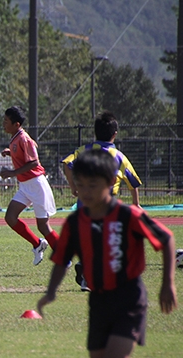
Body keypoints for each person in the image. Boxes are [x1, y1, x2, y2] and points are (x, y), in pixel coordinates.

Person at [37, 149, 177, 358]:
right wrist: (51, 292)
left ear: (111, 183)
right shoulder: (76, 221)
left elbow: (165, 239)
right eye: (80, 185)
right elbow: (62, 260)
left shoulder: (128, 215)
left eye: (92, 185)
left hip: (129, 298)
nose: (84, 192)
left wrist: (167, 283)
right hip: (98, 302)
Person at [62, 111, 143, 291]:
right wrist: (135, 203)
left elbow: (67, 164)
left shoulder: (85, 150)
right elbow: (132, 181)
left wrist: (73, 186)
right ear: (115, 134)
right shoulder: (118, 156)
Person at [0, 106, 59, 265]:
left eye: (6, 121)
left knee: (44, 227)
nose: (3, 123)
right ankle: (38, 244)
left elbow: (34, 163)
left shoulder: (24, 138)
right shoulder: (15, 137)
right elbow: (22, 155)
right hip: (25, 186)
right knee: (10, 217)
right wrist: (10, 152)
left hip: (36, 185)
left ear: (16, 124)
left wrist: (12, 173)